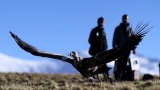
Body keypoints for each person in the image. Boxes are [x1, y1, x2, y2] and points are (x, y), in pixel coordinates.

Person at [112, 14, 136, 81]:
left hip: (127, 49)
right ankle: (118, 77)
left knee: (125, 63)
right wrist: (114, 47)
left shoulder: (130, 29)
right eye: (124, 18)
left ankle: (123, 76)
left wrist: (134, 48)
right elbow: (115, 38)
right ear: (122, 19)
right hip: (120, 48)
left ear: (128, 19)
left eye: (126, 18)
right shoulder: (118, 29)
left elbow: (133, 39)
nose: (125, 19)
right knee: (119, 62)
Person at [88, 17, 110, 81]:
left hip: (103, 52)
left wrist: (105, 49)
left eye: (103, 22)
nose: (101, 23)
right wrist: (96, 45)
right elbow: (90, 40)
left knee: (104, 64)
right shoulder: (94, 31)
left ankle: (107, 78)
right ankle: (93, 78)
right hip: (95, 52)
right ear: (98, 22)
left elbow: (105, 42)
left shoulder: (103, 32)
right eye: (100, 22)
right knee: (94, 65)